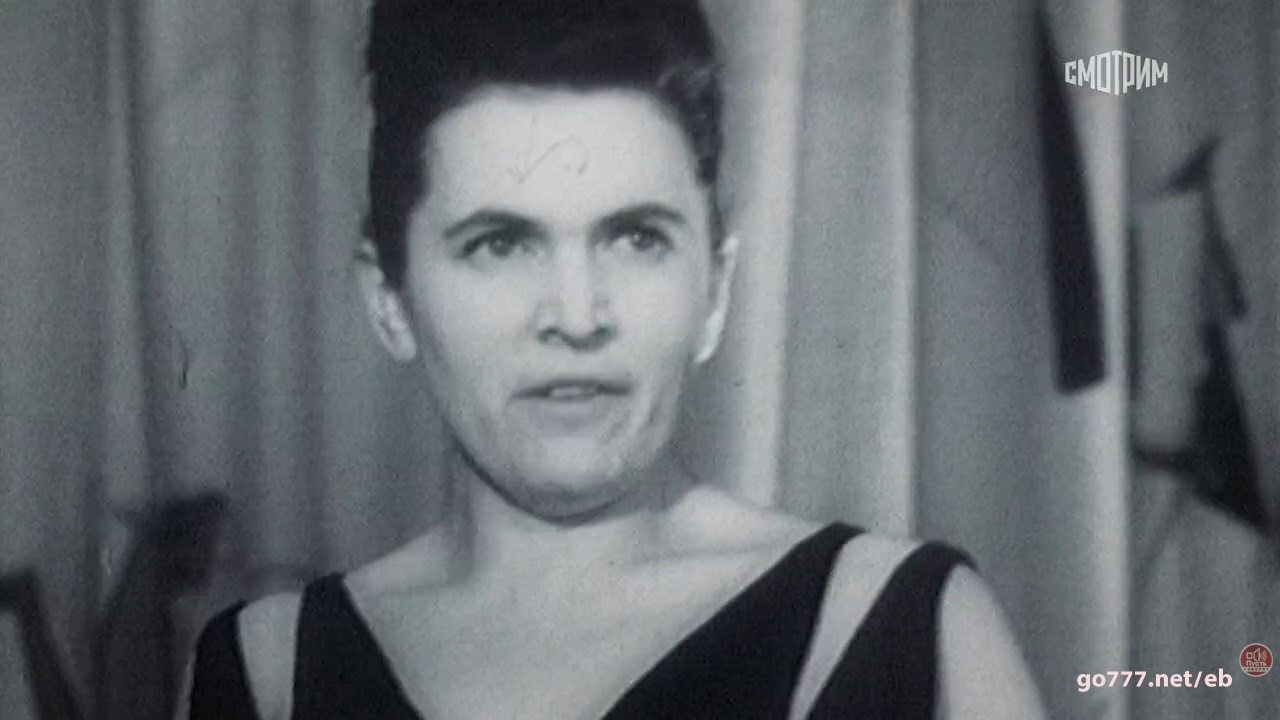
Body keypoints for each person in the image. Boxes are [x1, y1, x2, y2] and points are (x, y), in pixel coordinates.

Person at [185, 1, 1045, 717]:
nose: (575, 316)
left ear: (714, 290)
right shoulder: (267, 674)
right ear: (389, 299)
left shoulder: (909, 634)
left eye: (636, 238)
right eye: (500, 244)